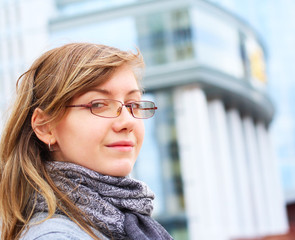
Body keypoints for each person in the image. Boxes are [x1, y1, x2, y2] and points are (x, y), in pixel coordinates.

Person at [0, 43, 173, 240]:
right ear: (45, 126)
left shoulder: (123, 222)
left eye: (133, 104)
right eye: (98, 105)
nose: (127, 122)